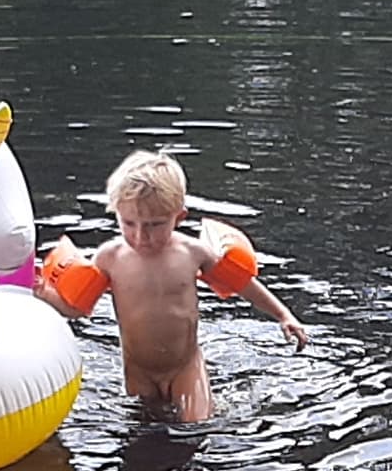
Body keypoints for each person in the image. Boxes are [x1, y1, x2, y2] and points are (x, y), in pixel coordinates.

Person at [38, 147, 308, 421]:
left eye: (155, 225)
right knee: (145, 429)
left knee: (197, 426)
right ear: (116, 213)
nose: (141, 236)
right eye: (129, 223)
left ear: (179, 217)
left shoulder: (192, 253)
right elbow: (77, 308)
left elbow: (241, 283)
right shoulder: (110, 257)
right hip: (138, 369)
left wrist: (282, 314)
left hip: (184, 367)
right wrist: (45, 293)